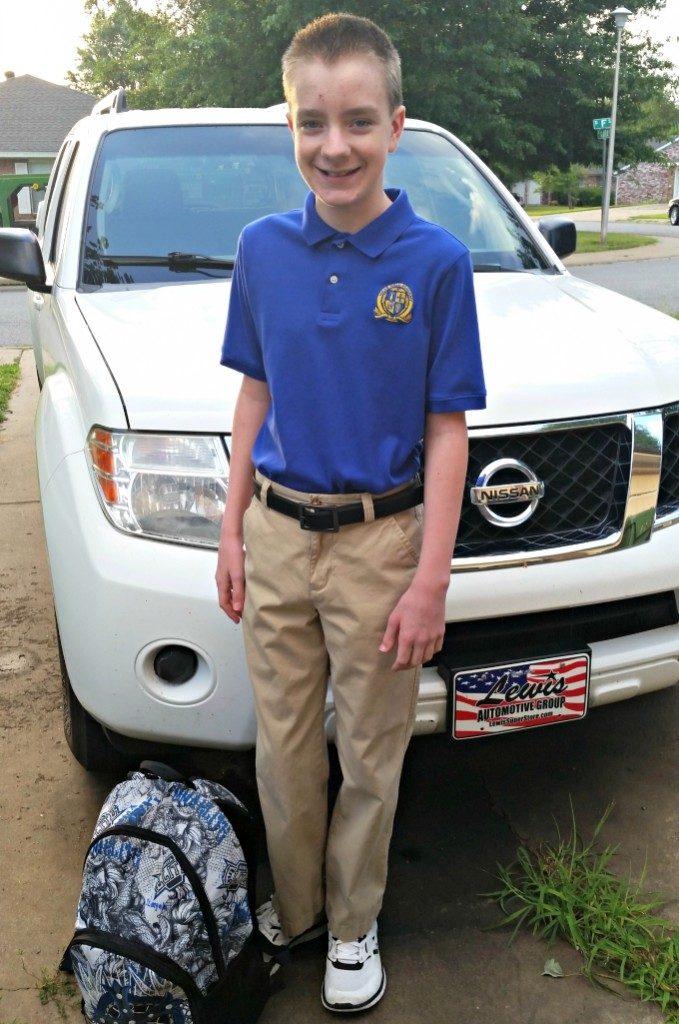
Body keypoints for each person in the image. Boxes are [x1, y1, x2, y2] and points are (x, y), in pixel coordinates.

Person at [216, 12, 486, 1013]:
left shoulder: (435, 262)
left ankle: (351, 923)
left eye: (359, 121)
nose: (335, 145)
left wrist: (430, 580)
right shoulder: (261, 250)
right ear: (289, 124)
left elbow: (447, 430)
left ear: (395, 125)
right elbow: (254, 394)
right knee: (283, 746)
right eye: (313, 122)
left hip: (381, 543)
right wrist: (231, 531)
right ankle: (294, 911)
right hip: (277, 534)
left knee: (371, 749)